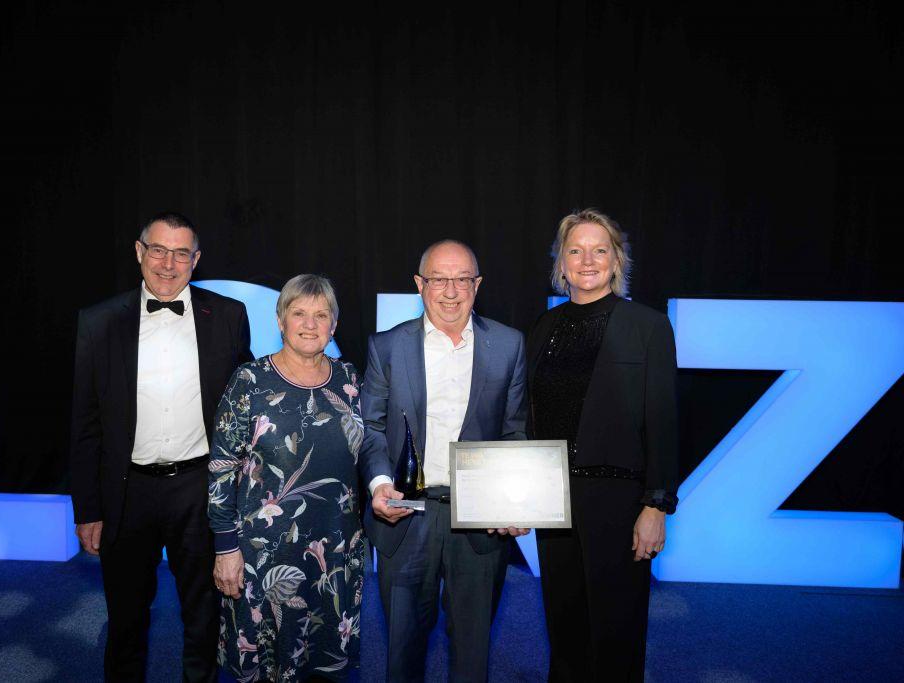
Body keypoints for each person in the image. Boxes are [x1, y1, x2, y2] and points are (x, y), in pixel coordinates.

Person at [70, 212, 252, 681]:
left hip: (200, 489)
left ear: (196, 260)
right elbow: (85, 423)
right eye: (158, 250)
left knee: (204, 616)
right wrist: (88, 508)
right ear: (138, 252)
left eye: (180, 253)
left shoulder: (229, 316)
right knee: (126, 619)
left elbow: (248, 407)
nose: (168, 264)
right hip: (127, 492)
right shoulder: (98, 322)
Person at [360, 239, 528, 683]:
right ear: (420, 284)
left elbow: (515, 431)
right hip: (406, 514)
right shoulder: (388, 346)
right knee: (402, 654)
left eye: (462, 279)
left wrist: (513, 501)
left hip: (479, 521)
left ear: (478, 284)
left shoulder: (509, 345)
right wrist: (379, 483)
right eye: (438, 279)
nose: (450, 291)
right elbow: (371, 428)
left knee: (473, 656)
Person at [527, 208, 679, 682]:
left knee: (617, 634)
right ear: (561, 263)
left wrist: (656, 505)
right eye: (575, 250)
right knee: (565, 627)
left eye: (599, 250)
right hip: (555, 503)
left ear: (617, 261)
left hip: (618, 503)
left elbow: (663, 420)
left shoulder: (648, 327)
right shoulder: (542, 330)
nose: (586, 260)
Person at [210, 274, 366, 682]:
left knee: (325, 664)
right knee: (265, 668)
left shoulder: (350, 381)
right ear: (280, 320)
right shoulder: (250, 382)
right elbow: (222, 469)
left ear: (334, 324)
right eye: (299, 313)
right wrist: (225, 548)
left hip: (334, 552)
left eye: (321, 315)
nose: (310, 324)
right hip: (262, 555)